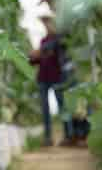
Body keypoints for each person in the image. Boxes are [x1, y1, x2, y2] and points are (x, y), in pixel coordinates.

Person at [29, 16, 74, 146]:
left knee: (62, 107)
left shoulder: (59, 39)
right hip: (43, 78)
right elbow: (35, 59)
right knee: (45, 109)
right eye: (44, 24)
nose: (46, 26)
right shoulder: (43, 40)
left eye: (47, 23)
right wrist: (32, 57)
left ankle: (68, 136)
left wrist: (39, 52)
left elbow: (51, 49)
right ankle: (48, 138)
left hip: (57, 77)